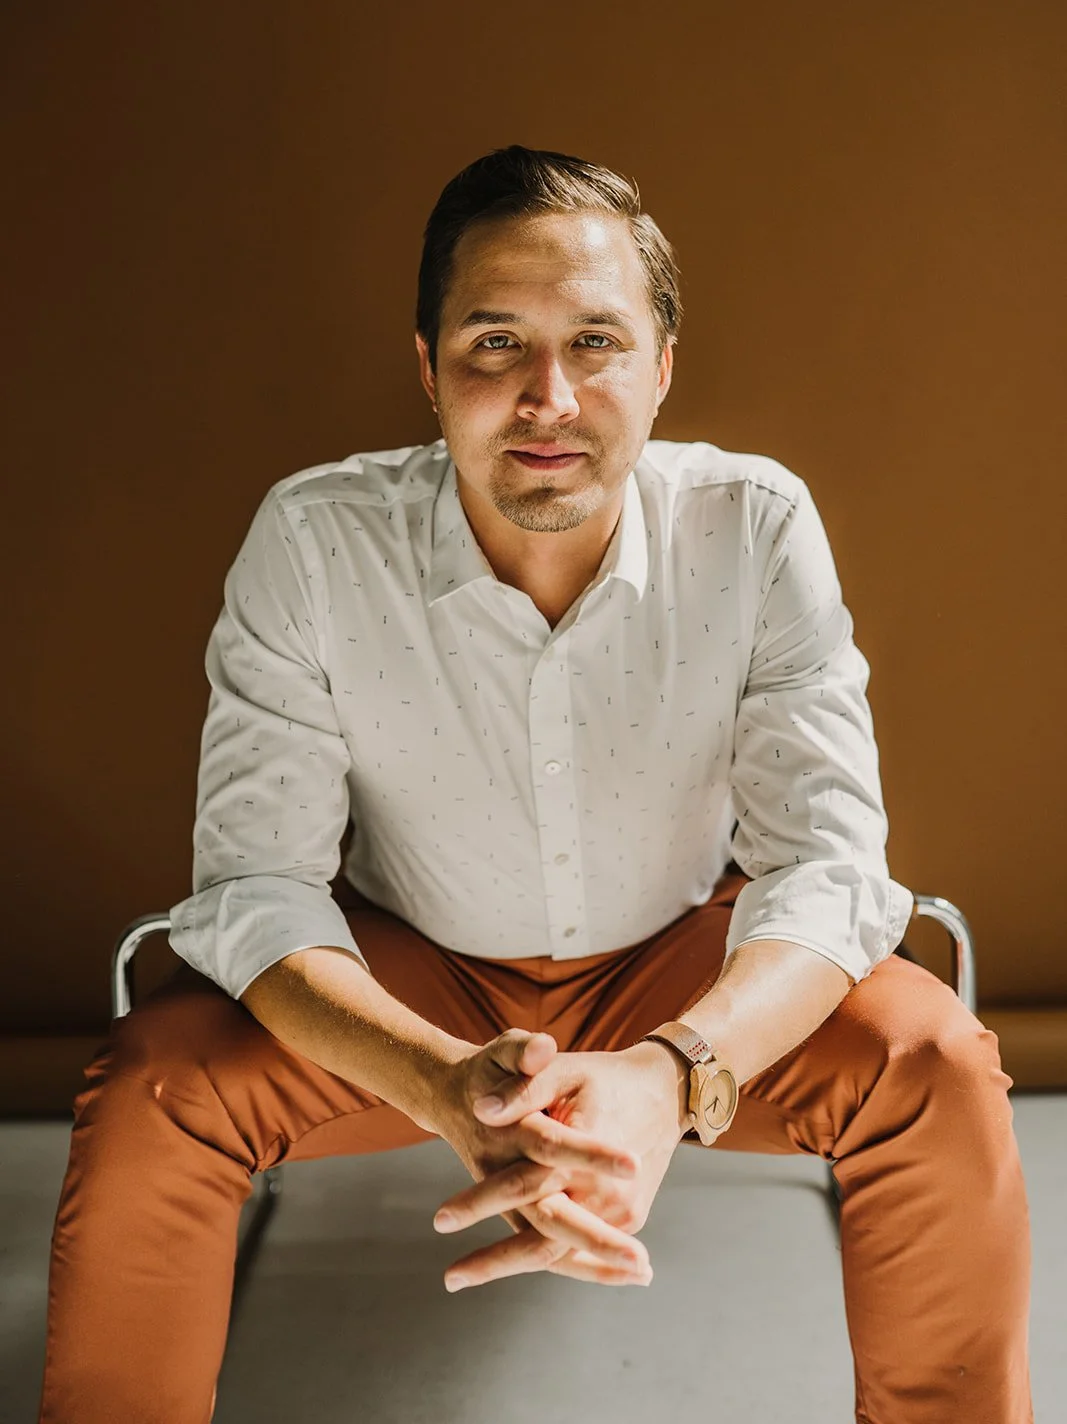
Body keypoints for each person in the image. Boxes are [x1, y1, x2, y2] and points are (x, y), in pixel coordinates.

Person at [38, 145, 1032, 1423]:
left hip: (685, 962)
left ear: (662, 364)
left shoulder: (755, 522)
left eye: (597, 341)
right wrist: (437, 1076)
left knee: (933, 1064)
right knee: (156, 1093)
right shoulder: (311, 539)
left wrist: (674, 1074)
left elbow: (828, 870)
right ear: (427, 366)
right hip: (406, 977)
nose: (546, 396)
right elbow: (256, 888)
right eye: (495, 342)